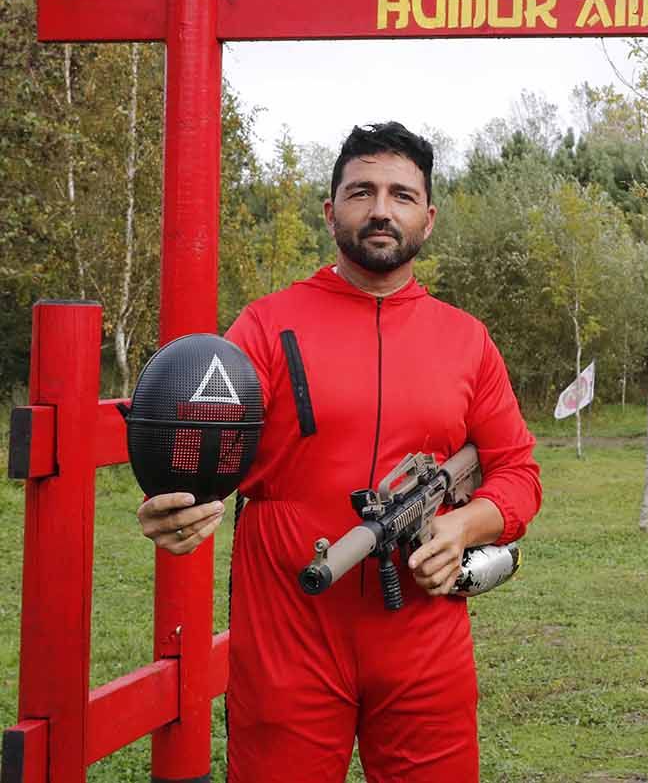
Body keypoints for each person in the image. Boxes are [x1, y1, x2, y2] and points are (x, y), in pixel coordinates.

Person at [136, 121, 541, 782]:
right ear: (331, 211)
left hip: (423, 632)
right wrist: (173, 508)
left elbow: (518, 472)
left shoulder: (467, 340)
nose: (381, 209)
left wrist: (462, 526)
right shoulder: (265, 325)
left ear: (428, 217)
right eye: (362, 192)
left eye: (402, 195)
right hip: (288, 631)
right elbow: (201, 446)